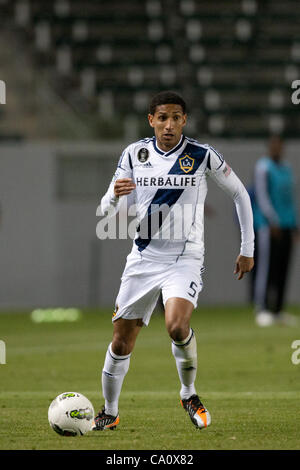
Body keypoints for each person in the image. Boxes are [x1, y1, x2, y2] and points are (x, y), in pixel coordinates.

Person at [93, 91, 254, 431]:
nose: (168, 125)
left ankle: (189, 393)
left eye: (175, 118)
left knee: (177, 326)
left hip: (184, 258)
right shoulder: (134, 153)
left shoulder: (201, 155)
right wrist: (113, 196)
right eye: (162, 118)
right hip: (143, 257)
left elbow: (240, 193)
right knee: (121, 341)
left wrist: (247, 248)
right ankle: (109, 411)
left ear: (185, 121)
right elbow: (108, 205)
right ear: (151, 120)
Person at [252, 135, 299, 327]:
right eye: (274, 146)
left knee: (283, 267)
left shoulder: (287, 168)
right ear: (269, 148)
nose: (277, 149)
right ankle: (262, 308)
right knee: (266, 267)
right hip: (268, 226)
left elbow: (290, 199)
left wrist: (294, 224)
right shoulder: (263, 167)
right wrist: (272, 220)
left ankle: (278, 309)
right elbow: (262, 195)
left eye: (280, 146)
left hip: (287, 224)